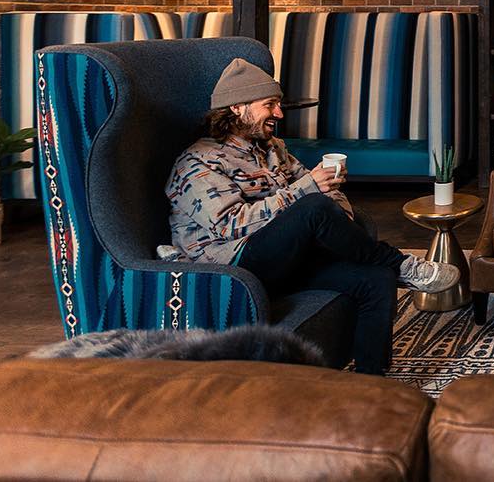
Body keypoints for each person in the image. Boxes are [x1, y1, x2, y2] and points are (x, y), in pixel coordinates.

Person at [166, 57, 459, 375]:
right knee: (314, 209)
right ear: (237, 108)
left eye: (278, 105)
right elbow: (231, 224)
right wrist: (309, 193)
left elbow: (322, 190)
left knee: (376, 278)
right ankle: (398, 263)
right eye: (270, 105)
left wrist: (338, 221)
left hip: (285, 260)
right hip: (233, 269)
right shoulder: (198, 163)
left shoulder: (271, 148)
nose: (278, 114)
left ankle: (371, 384)